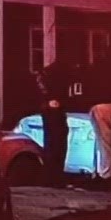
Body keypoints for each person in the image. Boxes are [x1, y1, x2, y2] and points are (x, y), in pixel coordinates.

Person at [37, 58, 75, 186]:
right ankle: (54, 176)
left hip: (52, 110)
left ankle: (52, 176)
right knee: (56, 142)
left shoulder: (47, 74)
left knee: (53, 142)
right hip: (53, 110)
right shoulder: (56, 74)